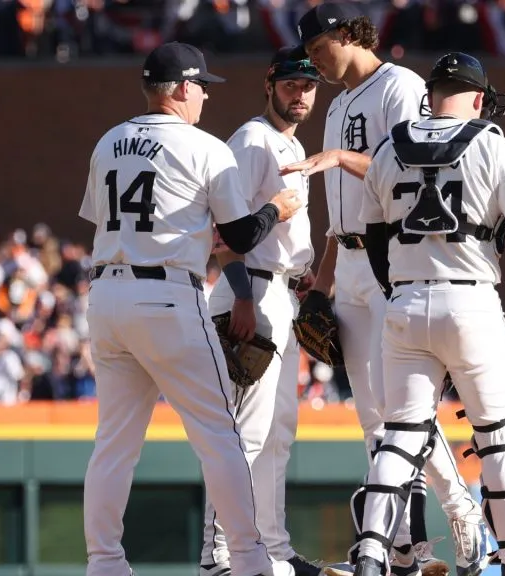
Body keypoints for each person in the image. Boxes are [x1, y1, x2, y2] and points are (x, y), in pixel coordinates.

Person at [78, 42, 301, 576]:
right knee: (220, 434)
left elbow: (101, 218)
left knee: (114, 443)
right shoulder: (206, 147)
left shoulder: (109, 141)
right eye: (201, 85)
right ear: (181, 88)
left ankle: (104, 563)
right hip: (166, 295)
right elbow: (241, 234)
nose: (204, 95)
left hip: (107, 297)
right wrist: (277, 208)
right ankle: (248, 558)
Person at [281, 5, 488, 575]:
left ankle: (460, 508)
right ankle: (405, 546)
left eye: (321, 47)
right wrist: (320, 284)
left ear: (350, 34)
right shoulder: (340, 101)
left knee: (403, 412)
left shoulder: (400, 86)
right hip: (346, 262)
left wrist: (340, 157)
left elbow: (420, 168)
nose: (316, 59)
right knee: (374, 417)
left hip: (389, 258)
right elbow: (336, 212)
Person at [354, 52, 505, 576]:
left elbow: (375, 236)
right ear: (477, 96)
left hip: (405, 301)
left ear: (431, 92)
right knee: (497, 432)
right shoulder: (490, 142)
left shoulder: (390, 145)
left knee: (400, 435)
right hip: (469, 302)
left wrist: (395, 286)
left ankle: (373, 553)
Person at [200, 48, 324, 576]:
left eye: (310, 86)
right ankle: (219, 556)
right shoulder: (252, 140)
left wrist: (307, 268)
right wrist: (244, 296)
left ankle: (272, 546)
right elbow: (225, 231)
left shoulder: (291, 144)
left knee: (278, 431)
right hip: (247, 290)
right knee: (244, 432)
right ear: (269, 85)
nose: (301, 94)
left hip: (282, 291)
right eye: (292, 84)